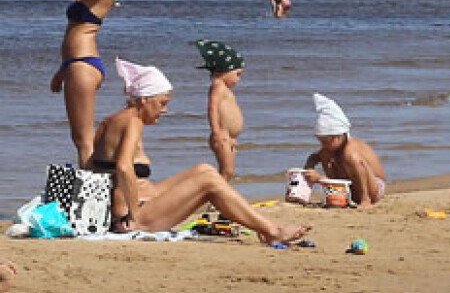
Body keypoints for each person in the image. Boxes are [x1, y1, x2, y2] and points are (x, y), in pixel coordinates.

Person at [91, 57, 309, 244]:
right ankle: (272, 231)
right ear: (145, 99)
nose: (164, 110)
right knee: (209, 182)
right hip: (135, 217)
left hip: (136, 205)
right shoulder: (133, 122)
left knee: (204, 170)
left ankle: (264, 227)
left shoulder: (112, 121)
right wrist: (134, 213)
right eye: (162, 103)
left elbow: (93, 166)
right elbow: (123, 167)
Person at [50, 0, 117, 169]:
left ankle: (89, 200)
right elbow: (74, 32)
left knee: (83, 139)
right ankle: (93, 192)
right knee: (80, 138)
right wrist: (61, 71)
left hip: (83, 64)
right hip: (74, 65)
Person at [303, 93, 386, 209]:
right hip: (353, 186)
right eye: (320, 141)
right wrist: (309, 166)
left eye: (326, 141)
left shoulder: (350, 148)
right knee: (324, 154)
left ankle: (364, 199)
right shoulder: (332, 148)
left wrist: (320, 179)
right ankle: (338, 195)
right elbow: (314, 156)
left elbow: (359, 165)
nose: (323, 145)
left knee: (350, 157)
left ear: (338, 136)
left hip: (374, 187)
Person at [194, 39, 245, 181]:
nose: (238, 80)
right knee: (226, 171)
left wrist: (232, 137)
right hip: (222, 135)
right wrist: (216, 132)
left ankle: (220, 199)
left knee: (228, 172)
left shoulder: (224, 88)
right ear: (225, 70)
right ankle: (214, 199)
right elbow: (212, 108)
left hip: (229, 137)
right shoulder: (218, 86)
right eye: (237, 74)